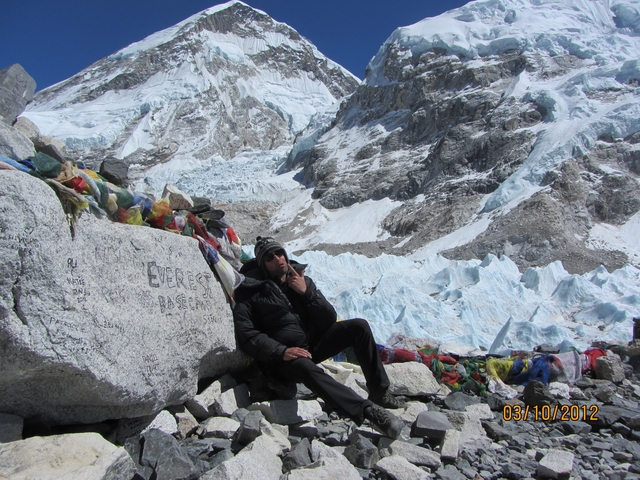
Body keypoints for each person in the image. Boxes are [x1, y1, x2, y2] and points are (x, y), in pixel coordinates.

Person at [233, 236, 405, 439]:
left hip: (310, 346)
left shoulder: (301, 281)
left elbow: (328, 320)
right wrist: (281, 351)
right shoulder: (251, 291)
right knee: (306, 367)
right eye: (270, 257)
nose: (277, 258)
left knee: (359, 327)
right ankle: (369, 412)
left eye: (279, 252)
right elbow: (247, 334)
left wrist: (306, 293)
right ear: (263, 264)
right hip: (281, 360)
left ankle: (380, 392)